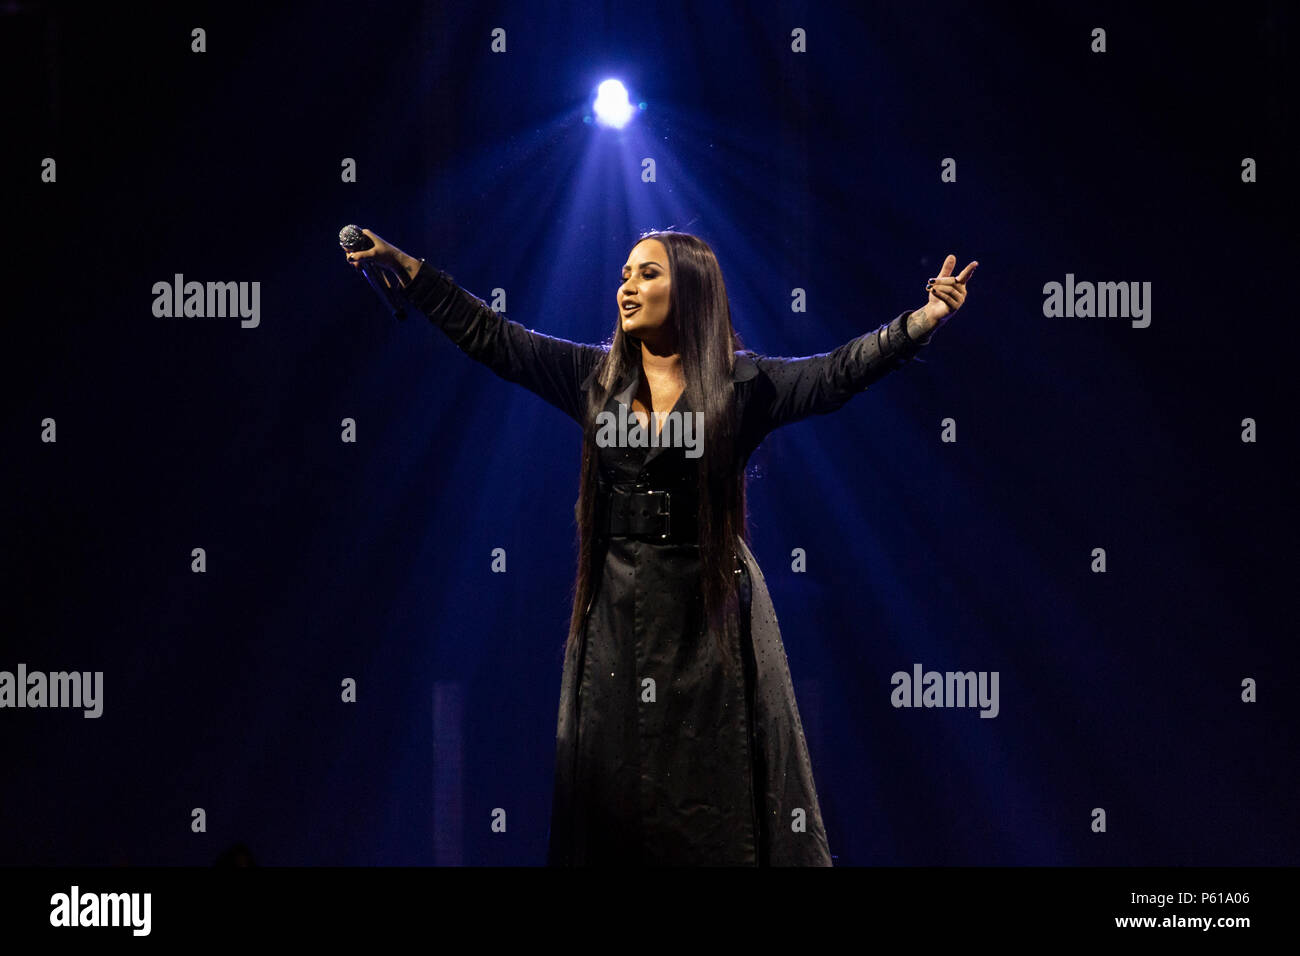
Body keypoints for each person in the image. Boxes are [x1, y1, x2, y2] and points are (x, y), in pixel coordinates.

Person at [345, 229, 977, 865]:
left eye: (647, 274)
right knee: (618, 798)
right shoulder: (593, 382)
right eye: (624, 274)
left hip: (710, 625)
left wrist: (919, 321)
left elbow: (835, 374)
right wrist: (412, 271)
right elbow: (494, 337)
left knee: (712, 795)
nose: (627, 285)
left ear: (692, 289)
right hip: (617, 622)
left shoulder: (742, 386)